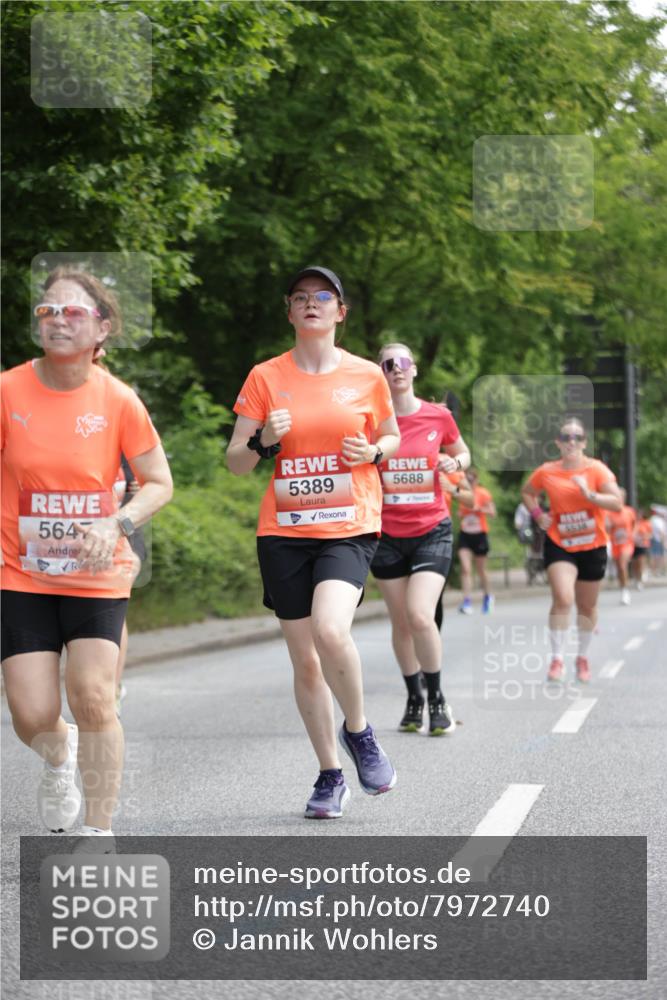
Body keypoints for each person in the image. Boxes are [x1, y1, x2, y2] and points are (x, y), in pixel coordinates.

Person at [1, 267, 173, 847]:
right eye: (48, 311)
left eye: (73, 312)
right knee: (31, 714)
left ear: (101, 329)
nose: (58, 320)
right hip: (21, 571)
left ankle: (99, 832)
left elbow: (158, 482)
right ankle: (58, 755)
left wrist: (116, 522)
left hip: (97, 572)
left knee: (94, 696)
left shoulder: (118, 400)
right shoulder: (8, 391)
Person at [226, 266, 401, 820]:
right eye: (300, 297)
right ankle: (330, 774)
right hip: (284, 531)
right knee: (305, 663)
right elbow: (236, 462)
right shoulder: (265, 376)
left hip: (349, 524)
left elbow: (390, 434)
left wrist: (373, 453)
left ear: (340, 312)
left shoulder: (366, 375)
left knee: (330, 630)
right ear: (289, 311)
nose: (311, 304)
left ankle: (360, 732)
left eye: (322, 297)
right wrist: (263, 440)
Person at [369, 344, 471, 735]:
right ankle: (413, 696)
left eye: (403, 362)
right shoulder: (370, 420)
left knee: (419, 615)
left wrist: (453, 462)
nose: (396, 369)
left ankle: (437, 698)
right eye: (388, 364)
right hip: (386, 534)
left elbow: (463, 453)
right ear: (380, 372)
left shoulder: (438, 416)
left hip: (432, 529)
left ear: (415, 369)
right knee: (401, 622)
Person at [520, 417, 621, 683]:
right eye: (566, 437)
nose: (572, 442)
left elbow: (616, 503)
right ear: (558, 442)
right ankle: (557, 659)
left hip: (592, 545)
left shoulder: (597, 470)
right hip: (560, 543)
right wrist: (538, 514)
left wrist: (590, 495)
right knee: (563, 598)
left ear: (585, 443)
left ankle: (582, 657)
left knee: (587, 606)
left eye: (577, 437)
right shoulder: (547, 471)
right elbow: (528, 492)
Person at [112, 454, 147, 716]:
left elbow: (150, 487)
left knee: (113, 608)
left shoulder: (121, 440)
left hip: (123, 536)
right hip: (67, 540)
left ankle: (112, 690)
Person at [457, 468, 496, 614]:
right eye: (467, 479)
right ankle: (466, 601)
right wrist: (461, 513)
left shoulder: (483, 493)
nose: (470, 481)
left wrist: (479, 509)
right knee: (465, 568)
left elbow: (492, 512)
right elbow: (460, 512)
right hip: (465, 533)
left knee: (481, 570)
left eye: (472, 479)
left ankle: (488, 596)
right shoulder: (462, 493)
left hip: (479, 534)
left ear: (477, 480)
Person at [606, 489, 636, 605]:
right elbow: (606, 529)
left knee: (623, 565)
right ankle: (623, 588)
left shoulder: (629, 511)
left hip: (627, 543)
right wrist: (608, 527)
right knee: (619, 568)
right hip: (615, 544)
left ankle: (625, 592)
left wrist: (633, 533)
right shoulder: (608, 513)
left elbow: (635, 524)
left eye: (620, 498)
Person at [631, 508, 652, 590]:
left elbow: (650, 534)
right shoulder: (634, 523)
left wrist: (643, 537)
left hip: (642, 545)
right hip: (633, 545)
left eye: (640, 514)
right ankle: (635, 578)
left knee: (640, 562)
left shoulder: (646, 523)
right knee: (634, 563)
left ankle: (640, 580)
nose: (638, 516)